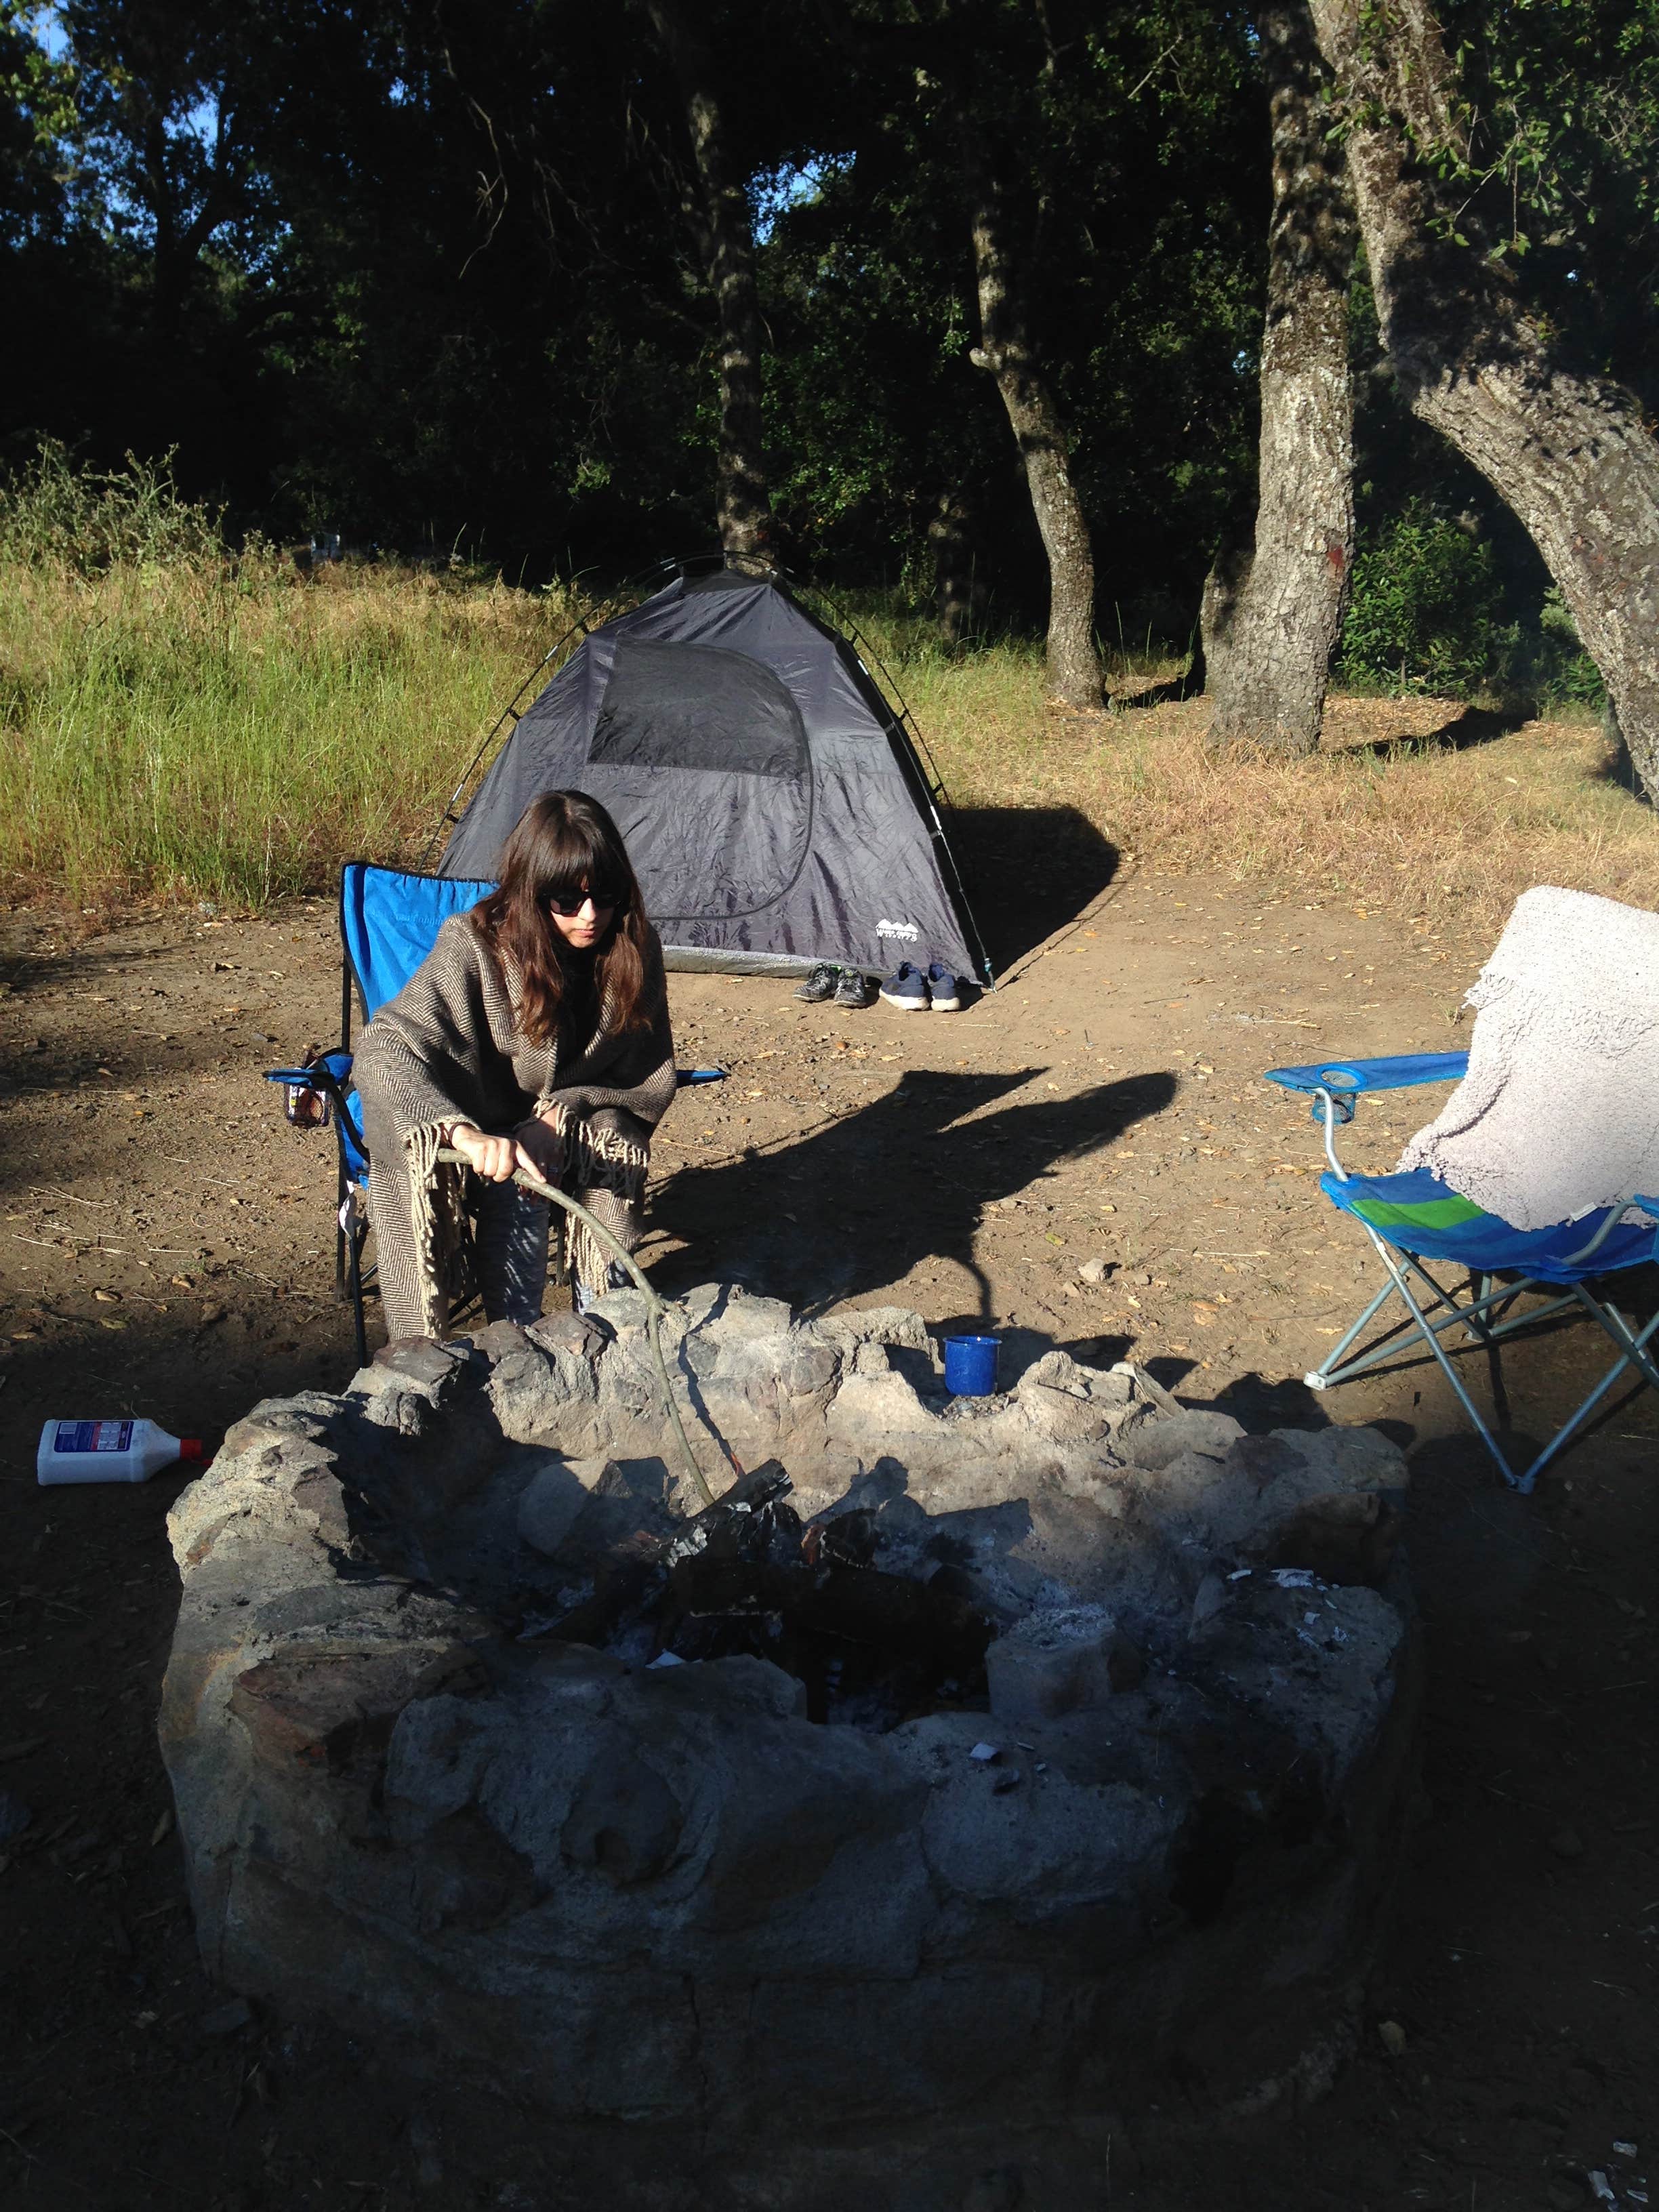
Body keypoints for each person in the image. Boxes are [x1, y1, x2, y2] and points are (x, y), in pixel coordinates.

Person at [353, 790, 676, 1341]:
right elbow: (385, 1046)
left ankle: (607, 1329)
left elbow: (643, 1075)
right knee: (518, 1182)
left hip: (576, 1126)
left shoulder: (633, 946)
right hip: (479, 1134)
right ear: (530, 894)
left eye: (606, 894)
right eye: (565, 901)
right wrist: (463, 1134)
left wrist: (558, 1117)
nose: (591, 915)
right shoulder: (475, 945)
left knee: (608, 1154)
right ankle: (509, 1344)